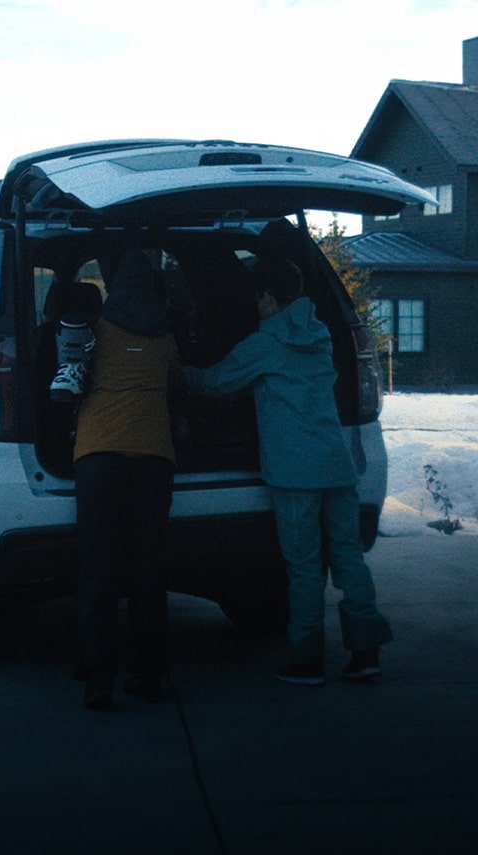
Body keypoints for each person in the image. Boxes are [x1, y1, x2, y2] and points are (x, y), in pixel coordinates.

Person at [183, 255, 392, 686]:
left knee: (303, 568)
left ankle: (307, 658)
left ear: (269, 297)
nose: (257, 306)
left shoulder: (266, 343)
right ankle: (365, 650)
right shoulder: (321, 332)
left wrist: (176, 372)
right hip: (337, 464)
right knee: (348, 558)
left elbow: (216, 382)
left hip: (296, 472)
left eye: (259, 298)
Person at [72, 249, 181, 709]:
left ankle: (98, 676)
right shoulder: (167, 337)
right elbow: (178, 389)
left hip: (97, 455)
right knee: (148, 566)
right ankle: (147, 675)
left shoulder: (96, 330)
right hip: (152, 456)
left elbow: (71, 380)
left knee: (98, 566)